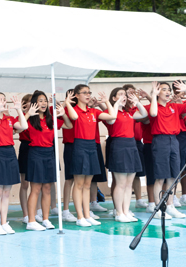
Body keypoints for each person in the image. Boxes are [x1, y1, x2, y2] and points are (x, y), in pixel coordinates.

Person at [146, 80, 186, 219]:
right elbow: (152, 114)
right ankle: (157, 208)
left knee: (173, 175)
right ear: (158, 92)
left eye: (168, 89)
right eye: (164, 89)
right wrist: (154, 96)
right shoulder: (154, 105)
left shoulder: (175, 106)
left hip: (174, 140)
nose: (168, 92)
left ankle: (170, 205)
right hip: (160, 141)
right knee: (160, 177)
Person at [66, 84, 116, 227]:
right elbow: (74, 116)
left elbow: (112, 116)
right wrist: (67, 103)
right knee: (79, 183)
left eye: (89, 92)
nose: (88, 95)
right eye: (84, 93)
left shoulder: (93, 111)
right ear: (76, 95)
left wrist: (106, 101)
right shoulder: (74, 110)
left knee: (88, 184)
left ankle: (87, 215)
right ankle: (80, 216)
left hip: (91, 147)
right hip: (79, 146)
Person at [25, 90, 73, 231]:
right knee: (35, 189)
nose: (44, 103)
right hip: (35, 153)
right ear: (35, 103)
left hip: (49, 153)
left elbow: (69, 125)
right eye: (40, 100)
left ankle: (45, 219)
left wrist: (63, 113)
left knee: (47, 188)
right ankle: (31, 220)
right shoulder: (30, 120)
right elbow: (18, 126)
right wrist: (28, 113)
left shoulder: (51, 119)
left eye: (45, 100)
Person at [0, 93, 28, 235]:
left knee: (6, 192)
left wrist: (18, 110)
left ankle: (4, 222)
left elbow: (24, 126)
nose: (3, 102)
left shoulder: (10, 119)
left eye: (4, 100)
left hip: (9, 152)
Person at [104, 88, 148, 222]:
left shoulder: (130, 112)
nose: (124, 96)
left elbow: (145, 114)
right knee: (121, 183)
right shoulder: (110, 112)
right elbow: (111, 121)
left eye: (125, 94)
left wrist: (136, 102)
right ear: (113, 97)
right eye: (120, 94)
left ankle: (125, 210)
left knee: (129, 183)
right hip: (119, 145)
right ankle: (118, 212)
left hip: (131, 146)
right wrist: (116, 104)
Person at [61, 89, 78, 222]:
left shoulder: (81, 110)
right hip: (71, 146)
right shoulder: (64, 109)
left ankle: (84, 208)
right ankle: (65, 210)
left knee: (83, 180)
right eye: (69, 96)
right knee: (70, 179)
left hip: (83, 146)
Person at [17, 94, 32, 223]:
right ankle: (25, 214)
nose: (29, 104)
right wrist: (26, 113)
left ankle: (36, 211)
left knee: (37, 183)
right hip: (26, 147)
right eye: (27, 102)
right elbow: (19, 128)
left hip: (38, 147)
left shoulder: (39, 117)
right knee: (25, 184)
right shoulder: (20, 117)